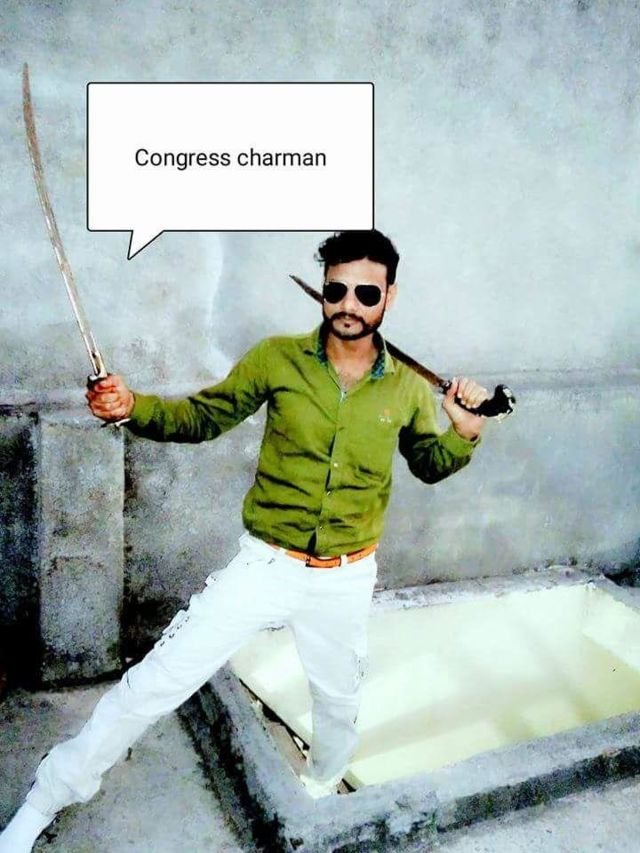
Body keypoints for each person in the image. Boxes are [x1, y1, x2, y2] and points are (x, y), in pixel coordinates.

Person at [0, 230, 489, 852]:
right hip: (266, 566)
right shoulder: (277, 359)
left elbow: (429, 464)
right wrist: (131, 406)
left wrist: (464, 433)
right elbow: (202, 417)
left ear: (389, 296)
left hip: (345, 576)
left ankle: (321, 789)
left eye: (366, 293)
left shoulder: (407, 389)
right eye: (336, 289)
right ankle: (48, 796)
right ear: (323, 290)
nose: (348, 304)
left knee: (338, 702)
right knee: (154, 682)